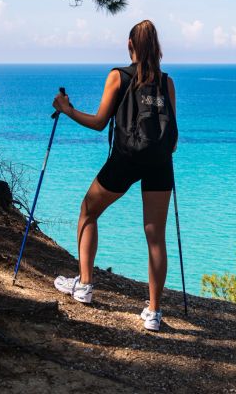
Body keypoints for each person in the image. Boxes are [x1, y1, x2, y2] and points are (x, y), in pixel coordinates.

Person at [50, 19, 177, 332]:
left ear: (130, 45)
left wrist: (66, 109)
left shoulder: (118, 76)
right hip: (160, 163)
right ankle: (154, 312)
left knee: (88, 211)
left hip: (126, 159)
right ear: (158, 48)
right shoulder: (167, 82)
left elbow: (98, 122)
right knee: (156, 236)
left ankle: (85, 285)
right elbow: (172, 137)